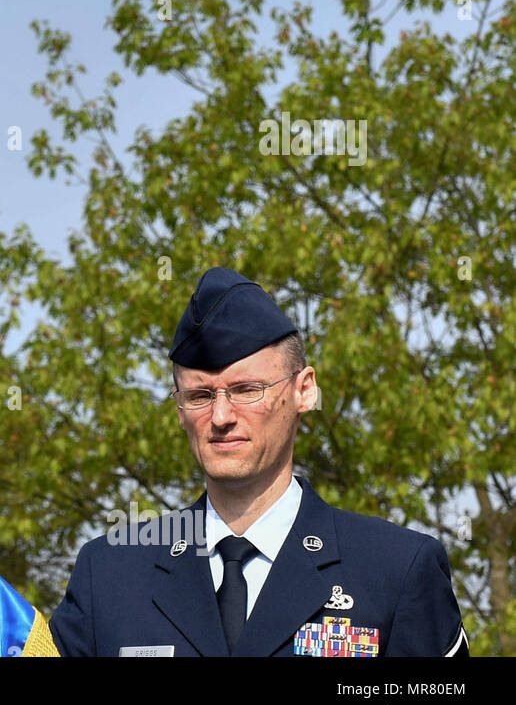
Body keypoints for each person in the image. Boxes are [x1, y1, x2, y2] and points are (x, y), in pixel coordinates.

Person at [49, 267, 468, 657]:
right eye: (199, 396)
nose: (221, 417)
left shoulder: (395, 571)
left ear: (304, 390)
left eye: (247, 389)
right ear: (178, 408)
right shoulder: (110, 576)